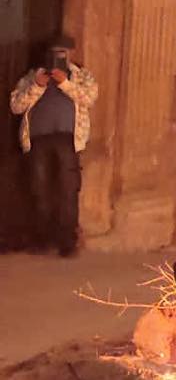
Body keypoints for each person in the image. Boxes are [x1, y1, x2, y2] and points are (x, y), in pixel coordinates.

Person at [8, 34, 99, 257]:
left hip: (68, 140)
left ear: (70, 54)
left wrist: (65, 83)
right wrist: (38, 86)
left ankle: (67, 242)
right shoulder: (33, 76)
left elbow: (89, 98)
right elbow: (16, 106)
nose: (58, 56)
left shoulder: (82, 75)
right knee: (39, 189)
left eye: (62, 53)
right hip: (38, 139)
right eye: (54, 52)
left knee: (67, 189)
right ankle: (42, 240)